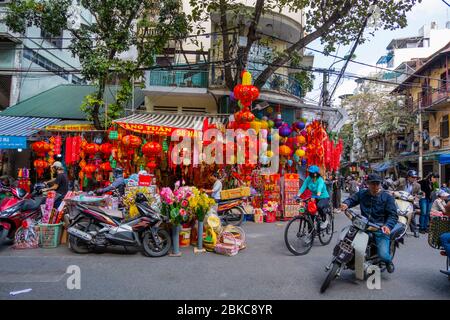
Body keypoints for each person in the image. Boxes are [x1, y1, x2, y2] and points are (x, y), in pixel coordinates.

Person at [340, 173, 398, 273]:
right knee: (346, 236)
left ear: (380, 184)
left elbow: (393, 215)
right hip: (363, 225)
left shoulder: (387, 197)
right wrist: (346, 204)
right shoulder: (362, 193)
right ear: (367, 183)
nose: (375, 186)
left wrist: (387, 226)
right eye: (372, 184)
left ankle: (388, 261)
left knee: (383, 255)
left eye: (377, 184)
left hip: (379, 228)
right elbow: (352, 200)